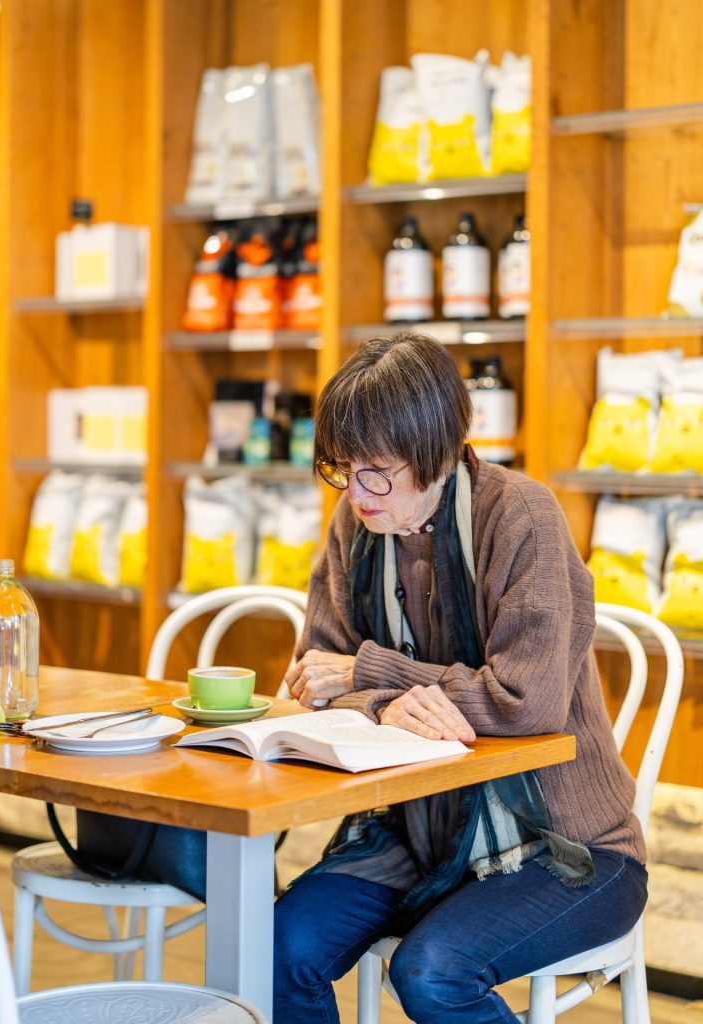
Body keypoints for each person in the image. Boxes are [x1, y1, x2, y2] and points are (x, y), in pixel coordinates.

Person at [273, 330, 647, 1024]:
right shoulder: (354, 527)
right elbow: (315, 680)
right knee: (276, 950)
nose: (357, 492)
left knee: (433, 975)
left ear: (437, 454)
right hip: (419, 835)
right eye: (341, 467)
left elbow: (523, 702)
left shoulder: (522, 517)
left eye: (377, 469)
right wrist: (385, 701)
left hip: (569, 849)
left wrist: (371, 671)